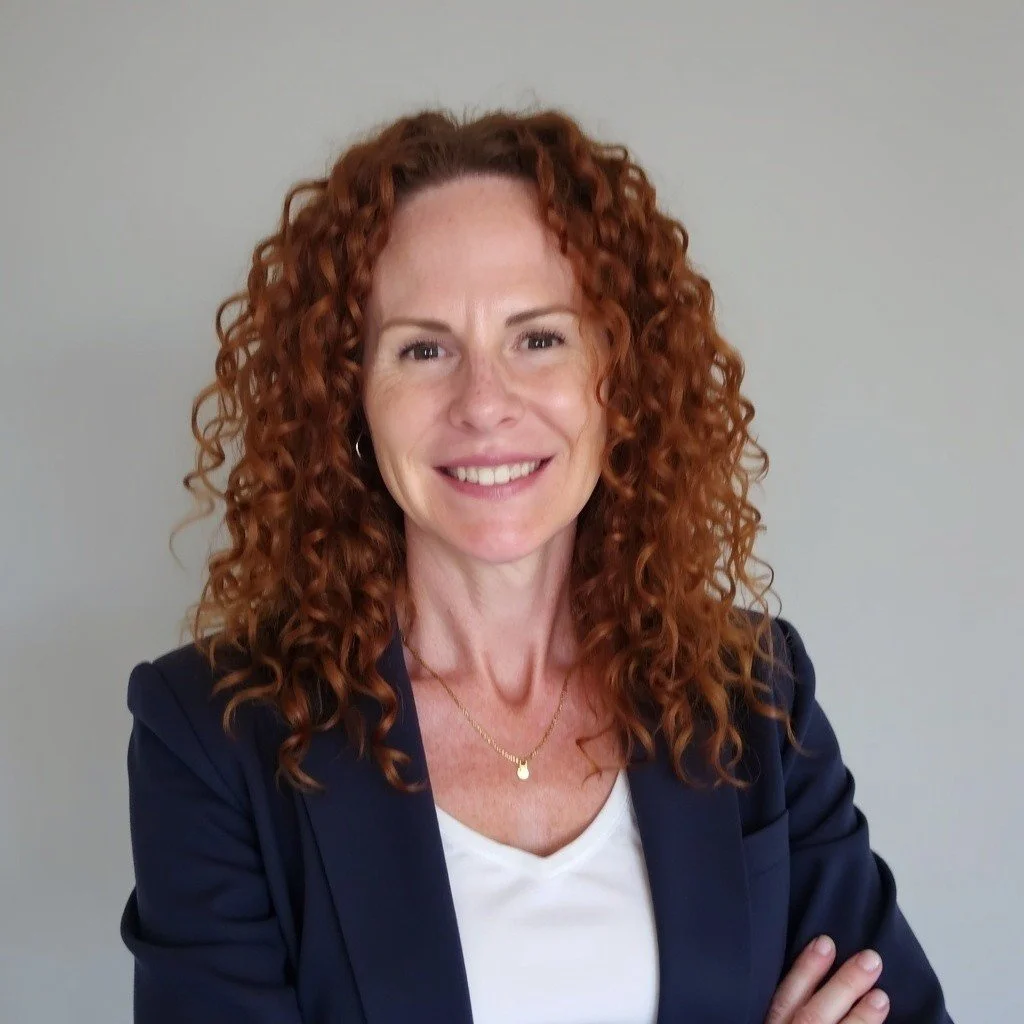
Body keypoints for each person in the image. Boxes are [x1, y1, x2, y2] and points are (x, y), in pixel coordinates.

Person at [119, 107, 953, 1023]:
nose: (485, 403)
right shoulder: (214, 734)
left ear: (618, 375)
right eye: (423, 349)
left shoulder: (751, 693)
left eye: (539, 338)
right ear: (348, 397)